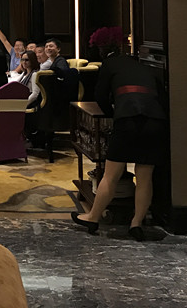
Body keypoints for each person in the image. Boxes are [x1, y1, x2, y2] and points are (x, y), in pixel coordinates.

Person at [71, 54, 168, 241]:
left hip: (127, 118)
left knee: (111, 175)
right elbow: (162, 99)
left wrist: (112, 114)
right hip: (154, 121)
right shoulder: (146, 69)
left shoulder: (109, 65)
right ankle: (136, 224)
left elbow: (100, 95)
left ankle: (93, 217)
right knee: (145, 177)